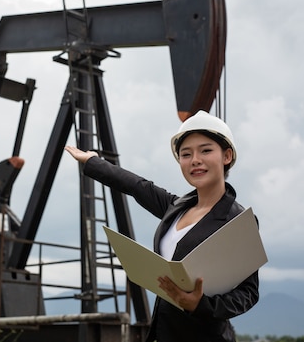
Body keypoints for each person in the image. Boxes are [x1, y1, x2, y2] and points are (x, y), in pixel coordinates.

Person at [64, 110, 259, 342]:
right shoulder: (176, 207)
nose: (195, 159)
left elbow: (248, 292)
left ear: (227, 156)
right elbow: (138, 187)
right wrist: (94, 162)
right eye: (186, 154)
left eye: (206, 150)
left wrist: (202, 305)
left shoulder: (237, 220)